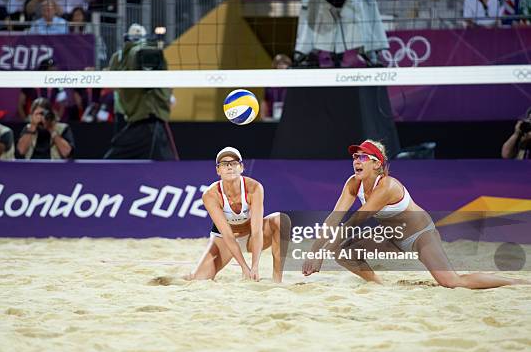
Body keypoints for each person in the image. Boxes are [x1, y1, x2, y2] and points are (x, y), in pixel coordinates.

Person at [302, 139, 529, 289]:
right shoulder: (353, 183)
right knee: (345, 253)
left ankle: (514, 282)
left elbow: (355, 221)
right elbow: (334, 218)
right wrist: (314, 250)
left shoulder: (388, 186)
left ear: (376, 164)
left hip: (420, 235)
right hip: (392, 237)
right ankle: (377, 286)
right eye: (354, 157)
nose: (355, 161)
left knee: (451, 282)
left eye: (362, 157)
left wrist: (322, 253)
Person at [186, 147, 286, 283]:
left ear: (241, 167)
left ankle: (277, 281)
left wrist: (254, 266)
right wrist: (244, 267)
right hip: (225, 241)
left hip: (251, 237)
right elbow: (227, 235)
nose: (229, 167)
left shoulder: (254, 188)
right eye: (224, 164)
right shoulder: (210, 195)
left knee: (281, 220)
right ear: (218, 170)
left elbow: (257, 232)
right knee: (197, 278)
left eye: (233, 163)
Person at [103, 23, 177, 160]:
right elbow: (111, 83)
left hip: (148, 118)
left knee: (165, 164)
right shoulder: (120, 57)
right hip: (129, 116)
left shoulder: (144, 52)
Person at [261, 54, 291, 121]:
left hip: (289, 118)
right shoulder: (270, 85)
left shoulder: (293, 83)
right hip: (272, 118)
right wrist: (263, 118)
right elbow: (265, 101)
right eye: (279, 64)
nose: (281, 66)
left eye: (284, 63)